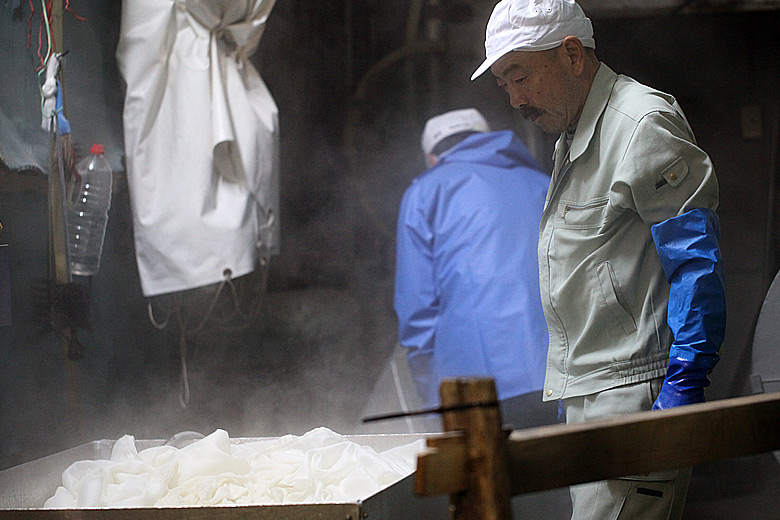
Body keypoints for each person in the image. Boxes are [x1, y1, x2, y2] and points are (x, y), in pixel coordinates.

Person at [471, 1, 726, 519]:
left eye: (520, 76)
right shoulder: (572, 133)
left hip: (634, 393)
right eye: (504, 84)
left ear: (571, 55)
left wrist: (686, 376)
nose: (516, 98)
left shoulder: (641, 123)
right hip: (592, 390)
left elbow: (694, 258)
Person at [394, 108, 558, 431]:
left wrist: (432, 397)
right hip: (559, 378)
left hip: (473, 390)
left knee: (488, 480)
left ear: (431, 157)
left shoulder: (423, 194)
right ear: (489, 141)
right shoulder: (543, 184)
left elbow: (418, 312)